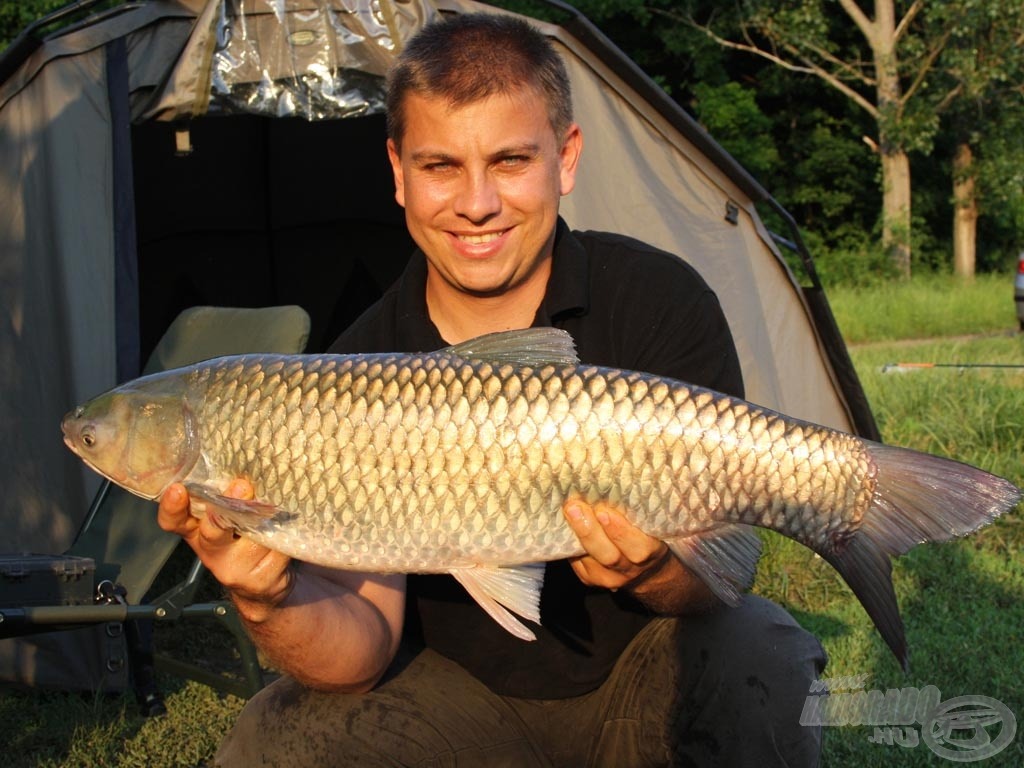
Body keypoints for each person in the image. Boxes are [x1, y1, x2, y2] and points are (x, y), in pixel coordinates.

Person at [158, 13, 826, 766]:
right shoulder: (357, 367)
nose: (477, 204)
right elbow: (361, 647)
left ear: (565, 159)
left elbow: (719, 579)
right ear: (398, 173)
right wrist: (265, 598)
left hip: (640, 678)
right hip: (453, 705)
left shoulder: (658, 299)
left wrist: (658, 569)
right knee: (272, 737)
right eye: (441, 166)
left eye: (510, 160)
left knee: (761, 658)